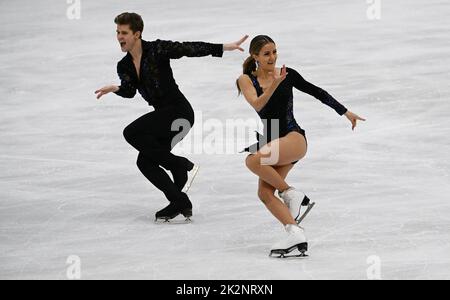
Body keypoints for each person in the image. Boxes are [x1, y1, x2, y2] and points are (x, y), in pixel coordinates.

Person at [95, 12, 248, 222]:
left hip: (179, 113)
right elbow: (130, 91)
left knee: (131, 132)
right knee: (144, 163)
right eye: (117, 32)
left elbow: (188, 48)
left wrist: (222, 47)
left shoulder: (157, 49)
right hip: (164, 118)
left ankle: (179, 164)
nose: (119, 37)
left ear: (137, 34)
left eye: (124, 33)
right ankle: (179, 200)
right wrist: (116, 88)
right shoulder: (124, 65)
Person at [236, 35, 365, 257]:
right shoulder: (246, 80)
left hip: (294, 138)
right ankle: (295, 234)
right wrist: (274, 84)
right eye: (266, 53)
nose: (273, 57)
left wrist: (345, 112)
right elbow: (258, 104)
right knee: (265, 193)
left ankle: (290, 193)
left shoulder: (288, 74)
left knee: (253, 160)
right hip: (271, 140)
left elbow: (318, 92)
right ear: (254, 56)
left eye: (275, 51)